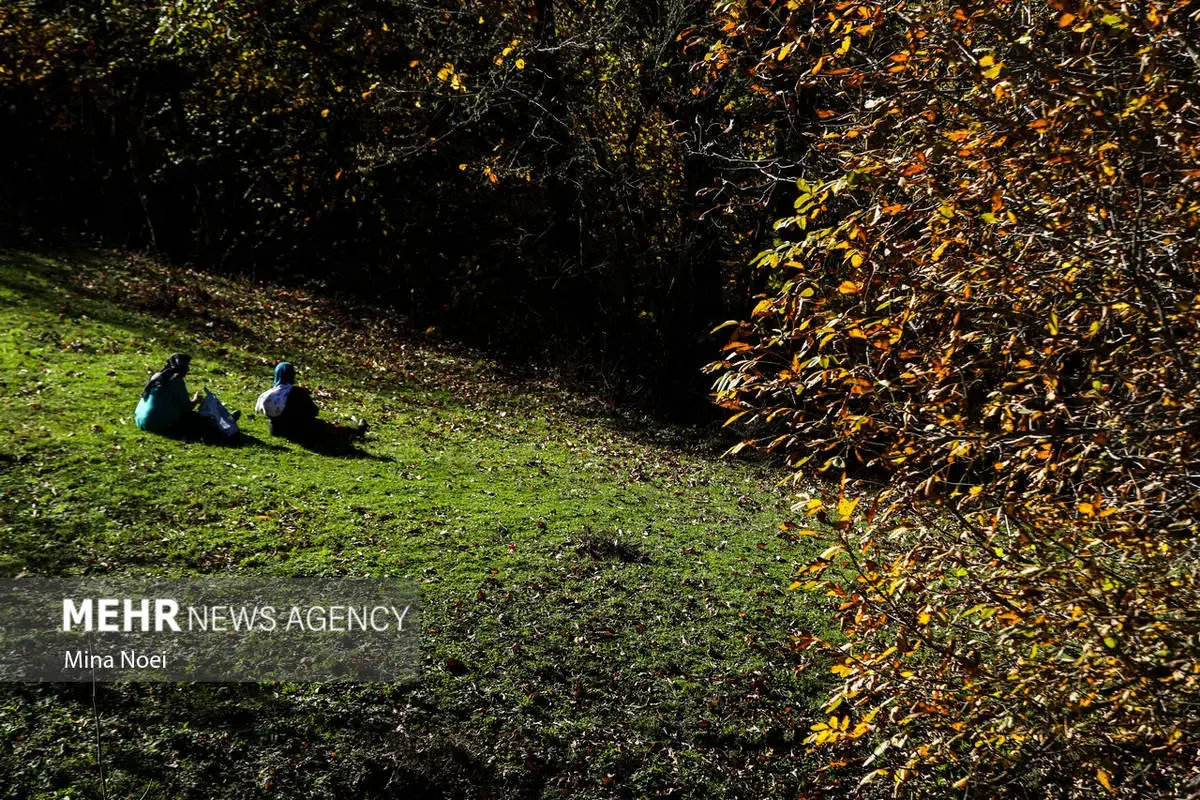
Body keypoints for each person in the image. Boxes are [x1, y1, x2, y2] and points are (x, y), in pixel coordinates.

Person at [255, 362, 367, 444]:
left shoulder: (267, 395)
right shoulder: (297, 392)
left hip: (276, 430)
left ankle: (352, 433)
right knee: (326, 426)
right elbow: (314, 411)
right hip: (301, 430)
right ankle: (354, 432)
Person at [135, 353, 238, 437]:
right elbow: (187, 408)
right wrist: (195, 400)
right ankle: (224, 421)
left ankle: (225, 419)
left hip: (140, 420)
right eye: (186, 366)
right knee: (194, 419)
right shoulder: (176, 380)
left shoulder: (156, 376)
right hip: (158, 423)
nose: (188, 370)